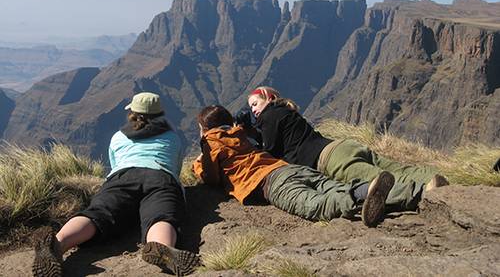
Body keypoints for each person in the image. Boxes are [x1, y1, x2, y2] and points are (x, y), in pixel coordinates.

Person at [32, 92, 200, 277]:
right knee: (161, 216)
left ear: (133, 113)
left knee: (98, 213)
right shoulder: (172, 138)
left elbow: (115, 164)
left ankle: (58, 243)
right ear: (160, 114)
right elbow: (175, 169)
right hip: (160, 177)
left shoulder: (119, 137)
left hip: (122, 177)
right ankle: (163, 248)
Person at [192, 105, 398, 228]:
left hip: (270, 182)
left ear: (205, 129)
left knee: (315, 205)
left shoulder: (211, 142)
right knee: (331, 187)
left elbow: (211, 178)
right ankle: (369, 189)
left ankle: (356, 196)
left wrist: (197, 164)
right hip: (289, 168)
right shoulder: (241, 135)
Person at [247, 86, 449, 212]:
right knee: (399, 168)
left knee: (379, 181)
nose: (254, 110)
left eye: (255, 104)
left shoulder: (269, 115)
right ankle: (442, 178)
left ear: (270, 98)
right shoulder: (287, 112)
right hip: (342, 145)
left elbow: (270, 152)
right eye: (251, 108)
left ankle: (423, 192)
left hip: (330, 159)